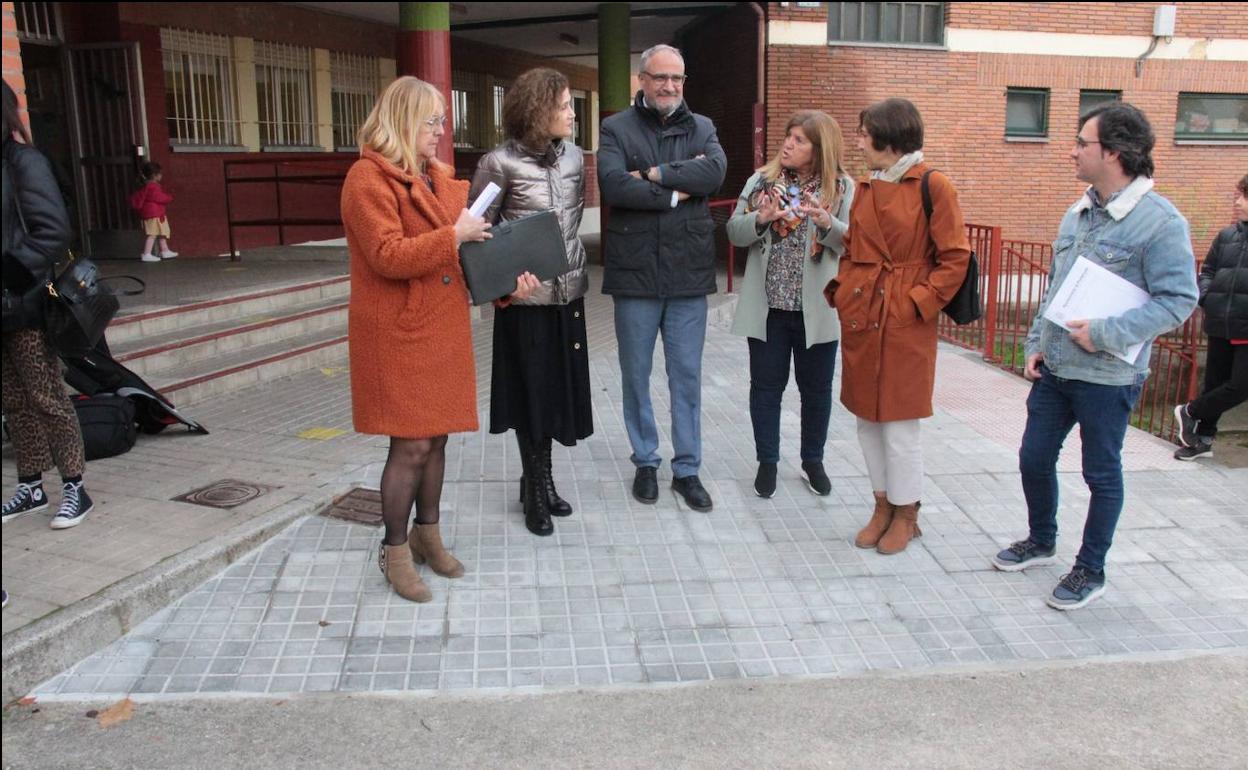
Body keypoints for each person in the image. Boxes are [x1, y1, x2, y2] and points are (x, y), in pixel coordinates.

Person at [993, 103, 1198, 610]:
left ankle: (1091, 568)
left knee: (1100, 474)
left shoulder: (1160, 223)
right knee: (1033, 457)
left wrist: (1107, 332)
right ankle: (1042, 540)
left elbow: (1180, 300)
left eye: (1082, 143)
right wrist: (1036, 341)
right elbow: (1057, 286)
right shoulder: (1079, 210)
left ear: (1114, 152)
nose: (1072, 151)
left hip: (1108, 376)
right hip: (1057, 368)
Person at [340, 76, 536, 603]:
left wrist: (506, 285)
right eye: (432, 121)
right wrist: (454, 234)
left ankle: (429, 536)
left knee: (439, 437)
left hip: (440, 329)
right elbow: (387, 256)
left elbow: (466, 257)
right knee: (411, 445)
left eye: (442, 122)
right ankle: (395, 549)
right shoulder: (366, 179)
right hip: (398, 334)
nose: (440, 132)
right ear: (403, 120)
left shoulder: (439, 181)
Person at [826, 98, 971, 555]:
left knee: (900, 425)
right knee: (867, 420)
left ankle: (907, 513)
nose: (859, 140)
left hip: (904, 319)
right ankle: (882, 505)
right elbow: (851, 248)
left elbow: (955, 258)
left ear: (889, 136)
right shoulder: (868, 186)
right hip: (863, 314)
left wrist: (916, 303)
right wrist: (843, 289)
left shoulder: (933, 184)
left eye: (865, 132)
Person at [597, 43, 727, 512]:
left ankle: (687, 469)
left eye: (676, 78)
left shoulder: (703, 127)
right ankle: (646, 461)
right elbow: (612, 184)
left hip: (688, 274)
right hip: (634, 275)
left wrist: (653, 174)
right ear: (642, 80)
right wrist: (675, 194)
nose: (669, 86)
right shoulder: (615, 128)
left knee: (686, 376)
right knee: (636, 374)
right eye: (659, 78)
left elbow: (713, 173)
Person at [469, 67, 592, 537]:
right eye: (563, 105)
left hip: (569, 296)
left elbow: (572, 224)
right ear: (538, 110)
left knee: (557, 396)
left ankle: (540, 479)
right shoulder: (497, 163)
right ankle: (537, 490)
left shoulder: (576, 158)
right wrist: (503, 287)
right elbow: (475, 236)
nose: (571, 113)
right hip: (524, 304)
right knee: (532, 398)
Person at [727, 110, 854, 499]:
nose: (788, 144)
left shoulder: (841, 188)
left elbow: (854, 242)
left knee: (816, 390)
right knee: (766, 388)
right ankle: (767, 461)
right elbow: (734, 232)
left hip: (817, 311)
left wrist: (827, 223)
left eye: (799, 140)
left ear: (820, 150)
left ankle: (812, 460)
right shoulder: (761, 182)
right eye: (788, 136)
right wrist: (761, 220)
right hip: (769, 310)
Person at [1, 79, 94, 530]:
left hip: (26, 303)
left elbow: (53, 231)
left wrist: (11, 276)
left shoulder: (23, 162)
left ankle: (76, 485)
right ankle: (31, 485)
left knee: (47, 397)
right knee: (13, 401)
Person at [1173, 173, 1248, 460]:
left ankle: (1188, 411)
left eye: (1244, 196)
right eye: (1238, 194)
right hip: (1219, 322)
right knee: (1215, 383)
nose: (1237, 202)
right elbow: (1209, 271)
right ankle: (1202, 441)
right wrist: (1207, 298)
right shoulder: (1227, 236)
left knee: (1240, 386)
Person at [129, 162, 177, 262]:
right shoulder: (152, 186)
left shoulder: (147, 185)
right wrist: (169, 198)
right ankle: (147, 253)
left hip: (156, 214)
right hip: (153, 214)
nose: (161, 175)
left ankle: (165, 250)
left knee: (161, 232)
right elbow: (158, 197)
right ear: (155, 175)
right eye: (160, 174)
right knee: (153, 234)